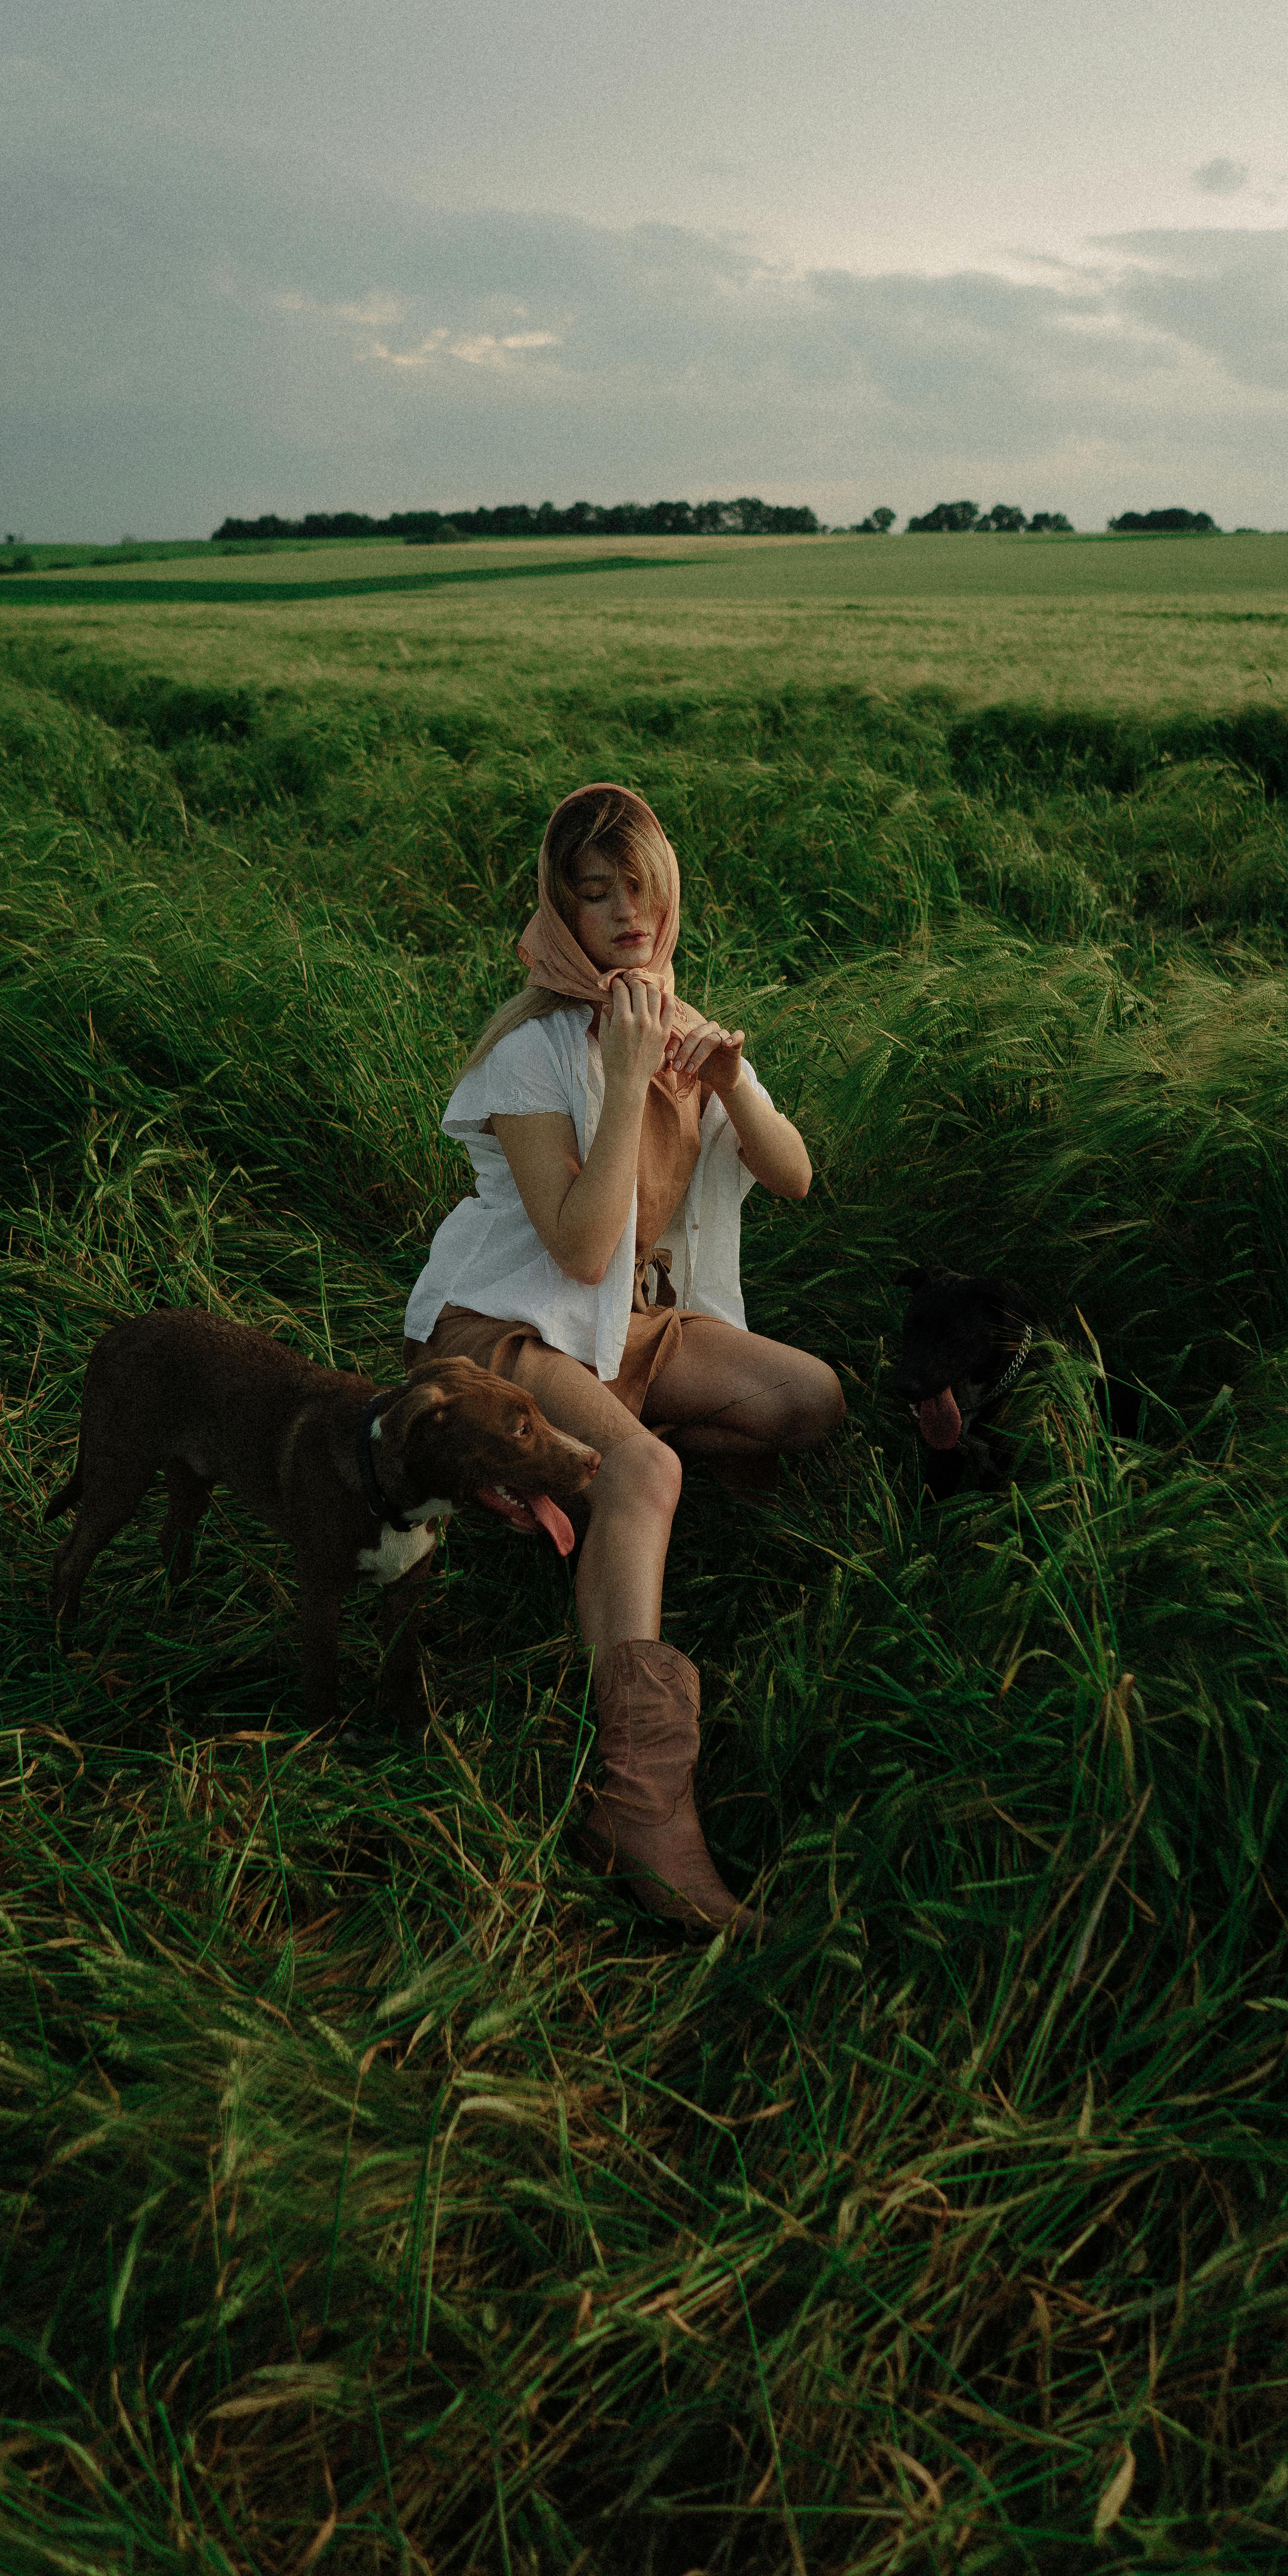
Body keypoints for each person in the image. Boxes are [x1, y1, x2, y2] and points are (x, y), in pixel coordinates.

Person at [405, 782, 844, 1936]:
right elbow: (585, 1246)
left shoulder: (679, 1022)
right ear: (559, 911)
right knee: (649, 1475)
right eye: (591, 894)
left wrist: (730, 1077)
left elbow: (794, 1177)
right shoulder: (534, 1051)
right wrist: (622, 1078)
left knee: (810, 1400)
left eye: (637, 887)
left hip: (634, 1330)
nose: (622, 913)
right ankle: (637, 1806)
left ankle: (583, 1489)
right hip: (512, 1327)